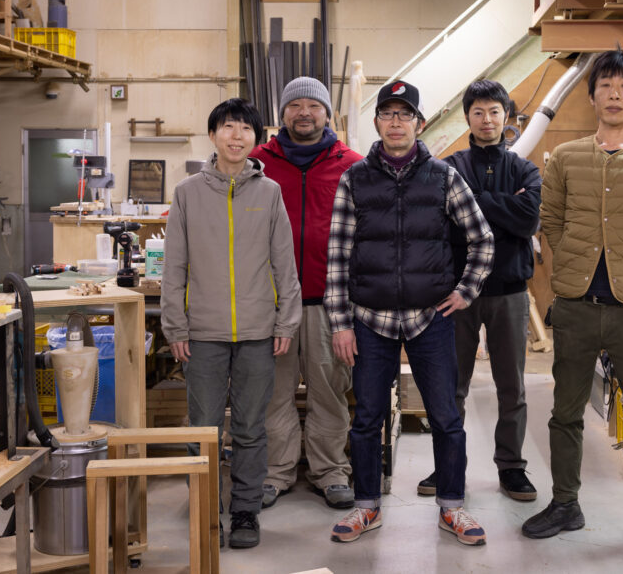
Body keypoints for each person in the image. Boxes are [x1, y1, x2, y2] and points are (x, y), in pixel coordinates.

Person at [521, 49, 623, 564]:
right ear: (592, 95)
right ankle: (566, 503)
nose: (614, 94)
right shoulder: (567, 157)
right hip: (574, 306)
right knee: (564, 414)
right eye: (605, 85)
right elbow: (549, 221)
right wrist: (567, 276)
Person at [324, 80, 495, 546]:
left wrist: (465, 291)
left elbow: (482, 238)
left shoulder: (443, 177)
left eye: (405, 115)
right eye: (387, 114)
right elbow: (337, 255)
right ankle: (366, 508)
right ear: (376, 122)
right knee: (367, 418)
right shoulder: (355, 179)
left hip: (430, 319)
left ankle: (453, 508)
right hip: (369, 319)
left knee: (446, 416)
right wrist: (340, 322)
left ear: (419, 124)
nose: (396, 122)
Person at [161, 98, 302, 550]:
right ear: (213, 135)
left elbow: (285, 264)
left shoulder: (270, 193)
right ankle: (205, 509)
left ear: (257, 139)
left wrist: (286, 322)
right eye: (228, 127)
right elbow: (174, 268)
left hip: (259, 333)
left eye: (245, 128)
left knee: (250, 427)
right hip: (201, 335)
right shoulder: (186, 194)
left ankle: (244, 511)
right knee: (203, 426)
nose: (236, 135)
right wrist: (176, 328)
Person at [416, 80, 541, 501]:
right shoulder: (448, 167)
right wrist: (505, 204)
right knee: (451, 385)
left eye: (494, 112)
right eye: (478, 112)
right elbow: (443, 223)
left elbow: (528, 221)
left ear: (506, 117)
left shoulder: (526, 170)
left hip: (509, 292)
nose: (486, 120)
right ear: (467, 118)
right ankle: (448, 464)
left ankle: (511, 468)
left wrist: (474, 200)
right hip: (457, 295)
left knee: (512, 387)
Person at [252, 77, 363, 510]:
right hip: (270, 304)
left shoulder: (351, 164)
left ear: (327, 113)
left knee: (330, 389)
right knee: (272, 392)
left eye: (313, 106)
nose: (304, 113)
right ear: (281, 114)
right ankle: (275, 472)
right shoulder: (257, 163)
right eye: (294, 105)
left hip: (328, 301)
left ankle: (330, 471)